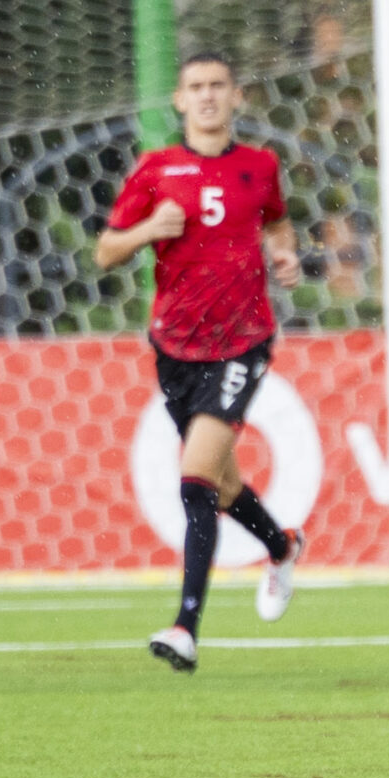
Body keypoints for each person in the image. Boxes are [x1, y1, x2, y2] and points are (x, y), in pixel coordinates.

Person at [96, 52, 307, 671]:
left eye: (218, 85)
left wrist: (285, 257)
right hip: (175, 347)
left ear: (236, 96)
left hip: (243, 340)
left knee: (194, 480)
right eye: (196, 87)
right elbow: (106, 250)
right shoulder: (157, 170)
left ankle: (186, 626)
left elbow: (278, 225)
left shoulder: (259, 166)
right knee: (222, 480)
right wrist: (147, 231)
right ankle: (281, 544)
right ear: (180, 100)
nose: (208, 96)